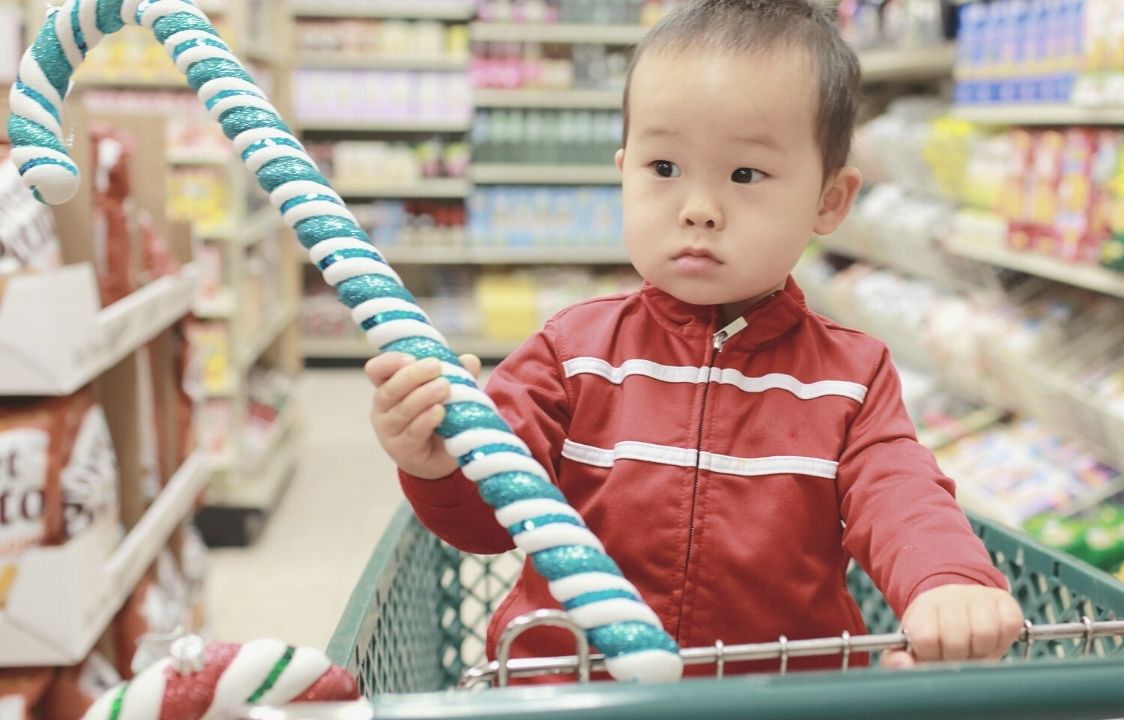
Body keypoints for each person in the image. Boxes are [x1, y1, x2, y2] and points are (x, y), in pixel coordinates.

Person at [365, 0, 1023, 676]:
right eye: (664, 168)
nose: (698, 209)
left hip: (779, 696)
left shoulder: (851, 377)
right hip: (574, 692)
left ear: (830, 200)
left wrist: (948, 580)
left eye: (745, 175)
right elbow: (487, 523)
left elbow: (901, 494)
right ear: (624, 170)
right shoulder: (569, 354)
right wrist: (437, 458)